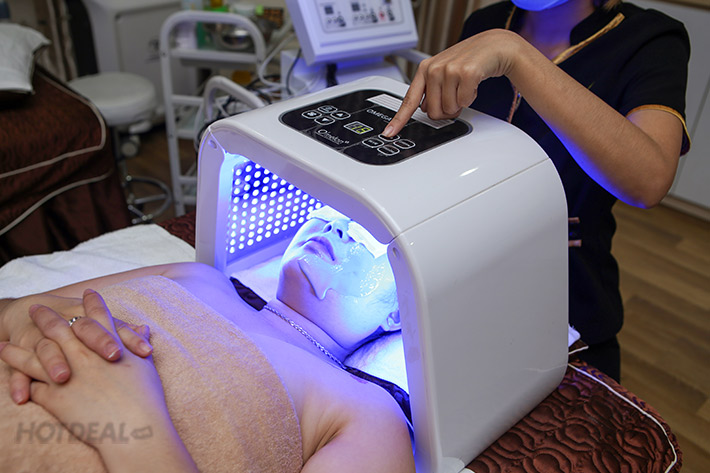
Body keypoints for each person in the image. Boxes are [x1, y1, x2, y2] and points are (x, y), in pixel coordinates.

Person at [383, 0, 690, 381]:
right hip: (463, 271)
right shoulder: (486, 22)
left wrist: (516, 55)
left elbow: (648, 181)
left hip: (568, 293)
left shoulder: (648, 39)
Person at [0, 207, 415, 473]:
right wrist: (22, 316)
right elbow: (10, 309)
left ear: (401, 310)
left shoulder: (370, 414)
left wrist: (131, 423)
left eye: (369, 237)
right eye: (330, 213)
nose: (338, 227)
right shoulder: (196, 275)